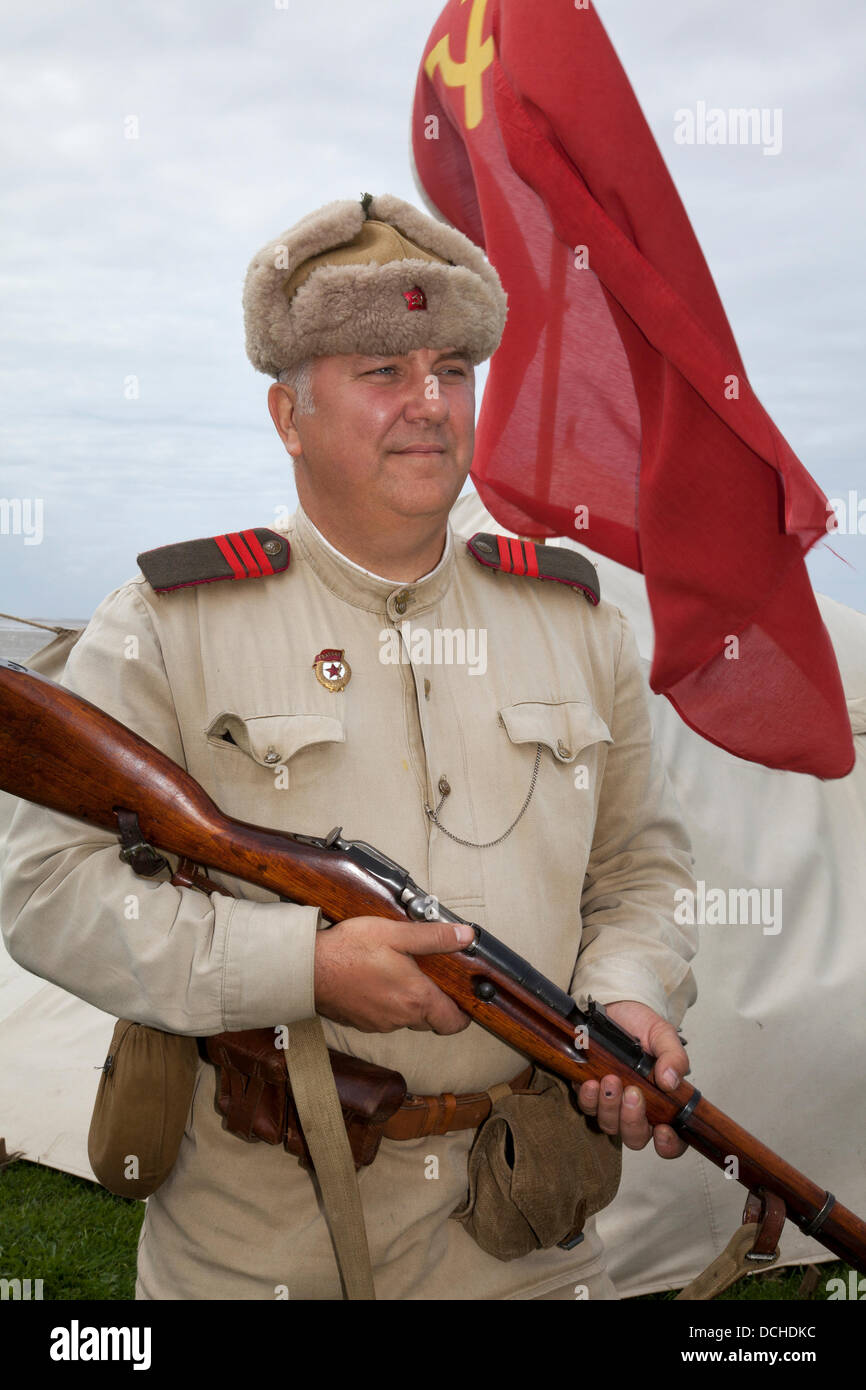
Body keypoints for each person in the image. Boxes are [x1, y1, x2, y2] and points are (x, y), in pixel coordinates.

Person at [0, 192, 697, 1301]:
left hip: (520, 1229)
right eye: (381, 372)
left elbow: (638, 871)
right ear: (287, 413)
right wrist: (301, 969)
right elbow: (45, 891)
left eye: (450, 369)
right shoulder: (171, 623)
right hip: (254, 1237)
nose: (428, 403)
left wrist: (620, 991)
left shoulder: (575, 622)